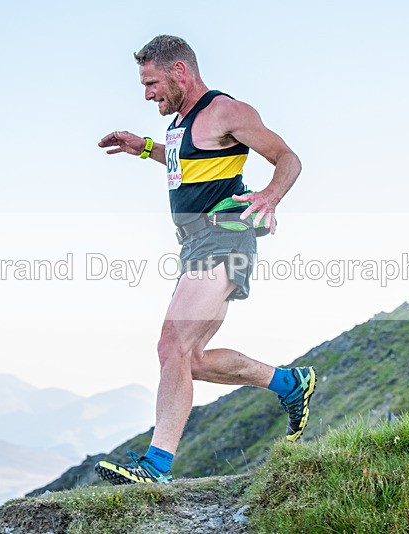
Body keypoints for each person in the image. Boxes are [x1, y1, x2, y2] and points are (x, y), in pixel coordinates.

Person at [94, 35, 316, 485]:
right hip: (195, 245)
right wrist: (144, 147)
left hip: (225, 237)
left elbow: (288, 158)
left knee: (170, 345)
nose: (147, 93)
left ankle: (156, 467)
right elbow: (187, 162)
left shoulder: (226, 111)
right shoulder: (181, 123)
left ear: (180, 71)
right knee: (190, 359)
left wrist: (271, 196)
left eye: (152, 82)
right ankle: (289, 384)